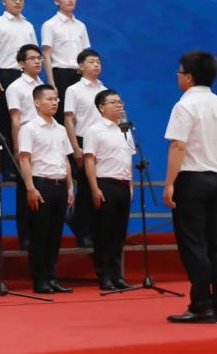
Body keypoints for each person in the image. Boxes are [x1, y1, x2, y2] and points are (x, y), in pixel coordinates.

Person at [163, 51, 217, 324]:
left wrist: (169, 184)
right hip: (215, 180)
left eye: (179, 72)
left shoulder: (185, 105)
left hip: (191, 180)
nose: (177, 76)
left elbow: (178, 146)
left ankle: (201, 305)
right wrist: (211, 146)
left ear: (188, 77)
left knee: (193, 244)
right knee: (216, 244)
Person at [18, 84, 74, 294]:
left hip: (60, 185)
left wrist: (70, 187)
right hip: (41, 185)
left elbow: (66, 159)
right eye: (49, 99)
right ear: (37, 102)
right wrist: (30, 188)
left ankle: (52, 277)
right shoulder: (29, 128)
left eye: (56, 99)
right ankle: (40, 279)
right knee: (39, 234)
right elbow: (24, 159)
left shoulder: (60, 129)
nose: (54, 103)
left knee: (55, 234)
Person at [83, 89, 134, 291]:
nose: (119, 105)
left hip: (123, 184)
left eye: (120, 102)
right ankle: (103, 276)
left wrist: (130, 185)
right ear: (101, 107)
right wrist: (94, 188)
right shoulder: (94, 130)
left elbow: (128, 159)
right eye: (113, 102)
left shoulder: (125, 129)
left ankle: (117, 275)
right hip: (105, 184)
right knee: (104, 232)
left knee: (119, 233)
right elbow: (89, 160)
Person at [0, 0, 36, 167]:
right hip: (6, 74)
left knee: (29, 117)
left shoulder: (28, 25)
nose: (17, 2)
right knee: (7, 119)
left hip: (27, 74)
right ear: (4, 1)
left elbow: (34, 52)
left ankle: (29, 160)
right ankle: (8, 165)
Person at [63, 49, 107, 248]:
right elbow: (68, 119)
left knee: (99, 186)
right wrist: (75, 147)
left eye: (98, 62)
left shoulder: (104, 89)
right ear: (80, 66)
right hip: (82, 140)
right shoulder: (74, 90)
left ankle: (95, 230)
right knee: (86, 186)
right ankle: (82, 231)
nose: (96, 65)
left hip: (102, 142)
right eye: (91, 61)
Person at [5, 43, 45, 247]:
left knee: (43, 185)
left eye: (39, 58)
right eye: (32, 58)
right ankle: (26, 236)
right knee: (25, 190)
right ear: (21, 64)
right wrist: (17, 147)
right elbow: (15, 119)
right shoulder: (16, 87)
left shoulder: (43, 86)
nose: (37, 61)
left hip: (45, 140)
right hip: (26, 139)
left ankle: (41, 233)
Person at [40, 0, 90, 124]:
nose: (70, 0)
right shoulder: (50, 25)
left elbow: (86, 54)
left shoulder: (81, 26)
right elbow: (46, 55)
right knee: (63, 114)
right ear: (56, 1)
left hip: (80, 74)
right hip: (60, 74)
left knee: (81, 114)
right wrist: (51, 83)